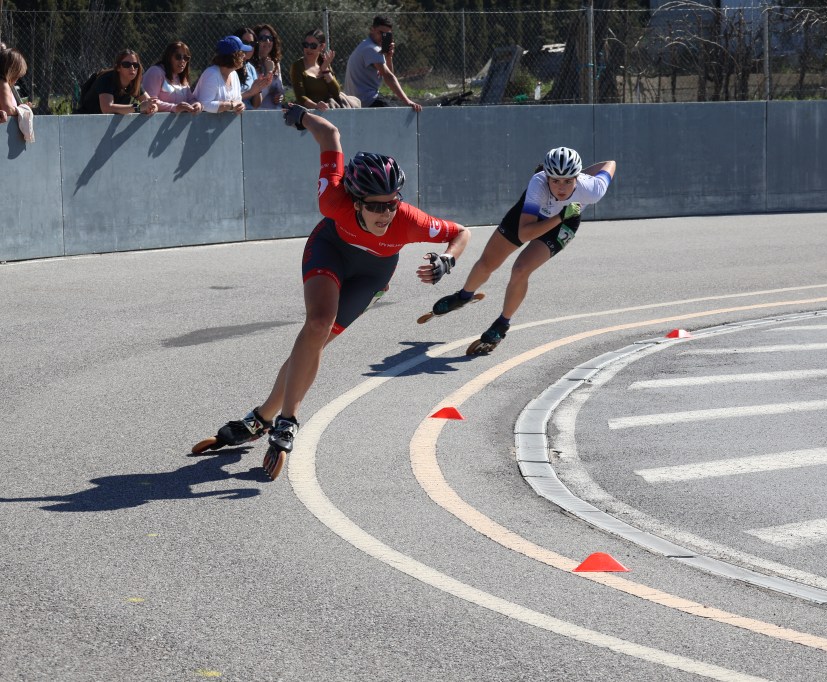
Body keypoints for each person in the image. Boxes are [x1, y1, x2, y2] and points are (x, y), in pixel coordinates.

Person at [196, 102, 469, 477]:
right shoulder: (333, 199)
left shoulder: (409, 220)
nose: (386, 214)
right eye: (375, 206)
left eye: (392, 203)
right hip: (331, 249)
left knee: (315, 344)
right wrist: (301, 116)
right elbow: (330, 134)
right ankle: (287, 420)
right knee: (317, 323)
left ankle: (261, 417)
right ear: (355, 201)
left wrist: (448, 260)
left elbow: (461, 233)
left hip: (373, 273)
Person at [431, 147, 616, 354]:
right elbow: (525, 232)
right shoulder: (538, 183)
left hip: (564, 222)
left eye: (568, 180)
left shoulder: (592, 189)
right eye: (555, 180)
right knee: (488, 262)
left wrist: (579, 181)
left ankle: (502, 324)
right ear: (547, 177)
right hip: (533, 219)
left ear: (577, 177)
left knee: (520, 269)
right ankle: (464, 296)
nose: (561, 187)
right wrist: (560, 215)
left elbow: (610, 163)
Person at [344, 15, 422, 112]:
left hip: (357, 100)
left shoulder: (367, 44)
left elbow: (388, 75)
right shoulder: (372, 49)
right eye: (380, 32)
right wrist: (408, 101)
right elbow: (389, 77)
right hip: (366, 100)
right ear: (372, 29)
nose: (383, 37)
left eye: (386, 34)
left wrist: (389, 57)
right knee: (399, 113)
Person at [290, 28, 358, 110]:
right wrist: (316, 106)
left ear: (322, 46)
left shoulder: (324, 63)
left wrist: (325, 69)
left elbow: (336, 92)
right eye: (305, 45)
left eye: (313, 46)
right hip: (309, 111)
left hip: (328, 109)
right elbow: (300, 97)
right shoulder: (297, 66)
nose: (308, 48)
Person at [76, 49, 159, 115]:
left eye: (135, 65)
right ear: (118, 67)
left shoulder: (134, 83)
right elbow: (107, 108)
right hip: (85, 122)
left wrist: (151, 108)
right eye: (126, 64)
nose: (132, 68)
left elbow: (152, 104)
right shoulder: (107, 80)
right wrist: (138, 108)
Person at [193, 35, 250, 114]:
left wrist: (241, 105)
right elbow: (204, 104)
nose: (244, 55)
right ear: (234, 56)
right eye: (242, 52)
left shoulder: (234, 74)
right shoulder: (212, 74)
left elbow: (238, 100)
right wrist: (230, 105)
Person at [142, 41, 202, 114]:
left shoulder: (182, 78)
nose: (182, 61)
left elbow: (190, 99)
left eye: (186, 58)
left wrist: (196, 104)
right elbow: (150, 102)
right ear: (169, 57)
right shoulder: (155, 72)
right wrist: (175, 108)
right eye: (178, 57)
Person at [234, 27, 272, 110]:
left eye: (252, 44)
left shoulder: (250, 68)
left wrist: (259, 88)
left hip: (249, 114)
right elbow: (227, 100)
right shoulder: (229, 68)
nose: (249, 47)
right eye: (245, 43)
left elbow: (256, 105)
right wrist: (250, 92)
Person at [252, 23, 286, 110]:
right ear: (256, 41)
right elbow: (257, 97)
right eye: (263, 38)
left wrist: (280, 97)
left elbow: (280, 90)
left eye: (270, 38)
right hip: (257, 112)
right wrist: (269, 72)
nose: (267, 41)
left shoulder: (275, 63)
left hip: (275, 110)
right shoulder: (250, 65)